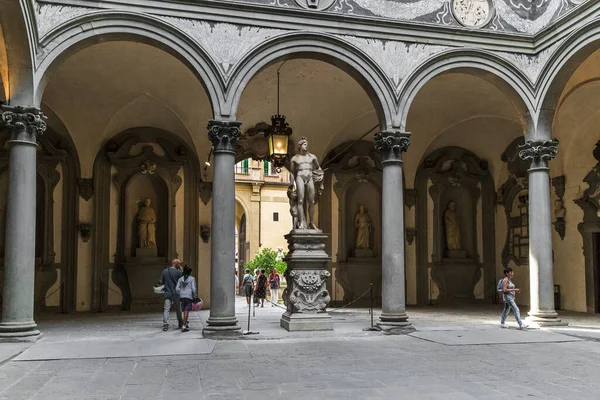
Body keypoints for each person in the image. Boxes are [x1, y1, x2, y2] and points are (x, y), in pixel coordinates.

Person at [159, 259, 183, 331]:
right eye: (179, 264)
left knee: (166, 309)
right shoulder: (179, 272)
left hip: (167, 293)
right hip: (176, 294)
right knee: (178, 309)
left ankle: (165, 324)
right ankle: (180, 322)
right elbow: (182, 282)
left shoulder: (165, 271)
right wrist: (181, 270)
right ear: (177, 264)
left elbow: (161, 281)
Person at [176, 264, 197, 332]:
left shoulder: (180, 279)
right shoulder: (192, 279)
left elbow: (177, 289)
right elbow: (193, 289)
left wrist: (180, 293)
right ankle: (184, 326)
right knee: (186, 311)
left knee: (184, 310)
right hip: (189, 296)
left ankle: (185, 322)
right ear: (190, 272)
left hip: (182, 296)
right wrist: (194, 295)